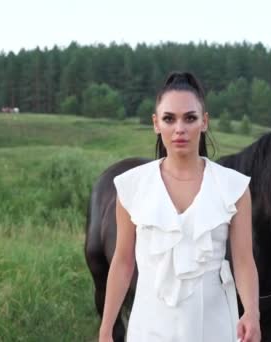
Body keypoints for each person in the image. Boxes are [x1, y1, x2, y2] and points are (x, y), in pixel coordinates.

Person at [98, 71, 261, 342]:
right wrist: (106, 328)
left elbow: (244, 262)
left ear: (204, 122)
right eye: (169, 119)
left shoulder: (234, 187)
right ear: (156, 123)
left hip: (214, 325)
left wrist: (252, 313)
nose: (179, 129)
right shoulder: (132, 186)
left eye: (190, 118)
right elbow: (123, 262)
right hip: (149, 326)